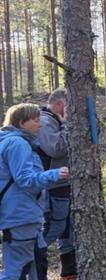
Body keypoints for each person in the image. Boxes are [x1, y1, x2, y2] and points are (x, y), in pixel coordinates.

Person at [0, 103, 69, 280]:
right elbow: (26, 180)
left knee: (37, 261)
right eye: (36, 121)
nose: (40, 125)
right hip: (20, 215)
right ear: (22, 123)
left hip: (24, 215)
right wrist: (55, 174)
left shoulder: (11, 142)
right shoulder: (17, 144)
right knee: (18, 269)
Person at [37, 89, 78, 279]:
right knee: (56, 226)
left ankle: (69, 272)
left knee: (68, 229)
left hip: (63, 182)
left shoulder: (53, 121)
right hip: (53, 185)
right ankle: (29, 258)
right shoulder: (46, 122)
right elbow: (56, 149)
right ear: (61, 104)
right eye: (70, 105)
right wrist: (67, 125)